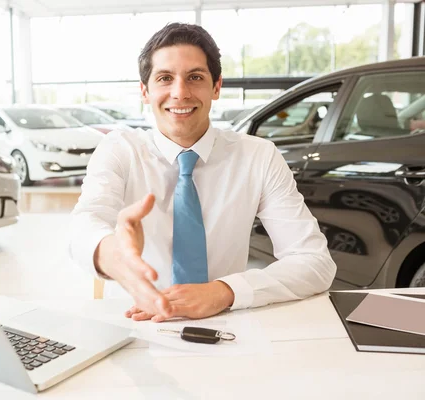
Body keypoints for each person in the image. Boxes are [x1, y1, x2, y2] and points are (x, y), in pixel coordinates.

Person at [69, 23, 336, 323]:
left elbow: (314, 261)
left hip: (226, 323)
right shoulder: (120, 149)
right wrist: (113, 254)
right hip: (135, 324)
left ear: (216, 87)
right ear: (145, 91)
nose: (179, 93)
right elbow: (84, 224)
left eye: (195, 77)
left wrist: (225, 291)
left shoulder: (258, 156)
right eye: (165, 78)